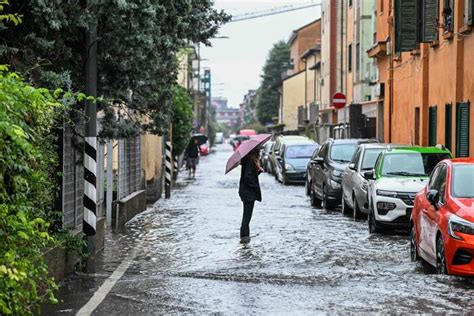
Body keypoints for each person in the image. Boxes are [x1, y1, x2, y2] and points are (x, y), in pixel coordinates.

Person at [238, 146, 263, 243]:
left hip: (247, 192)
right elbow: (248, 177)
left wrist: (258, 172)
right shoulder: (249, 161)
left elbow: (249, 176)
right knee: (246, 217)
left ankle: (245, 237)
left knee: (247, 217)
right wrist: (255, 187)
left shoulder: (248, 161)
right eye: (259, 151)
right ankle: (244, 238)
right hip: (248, 193)